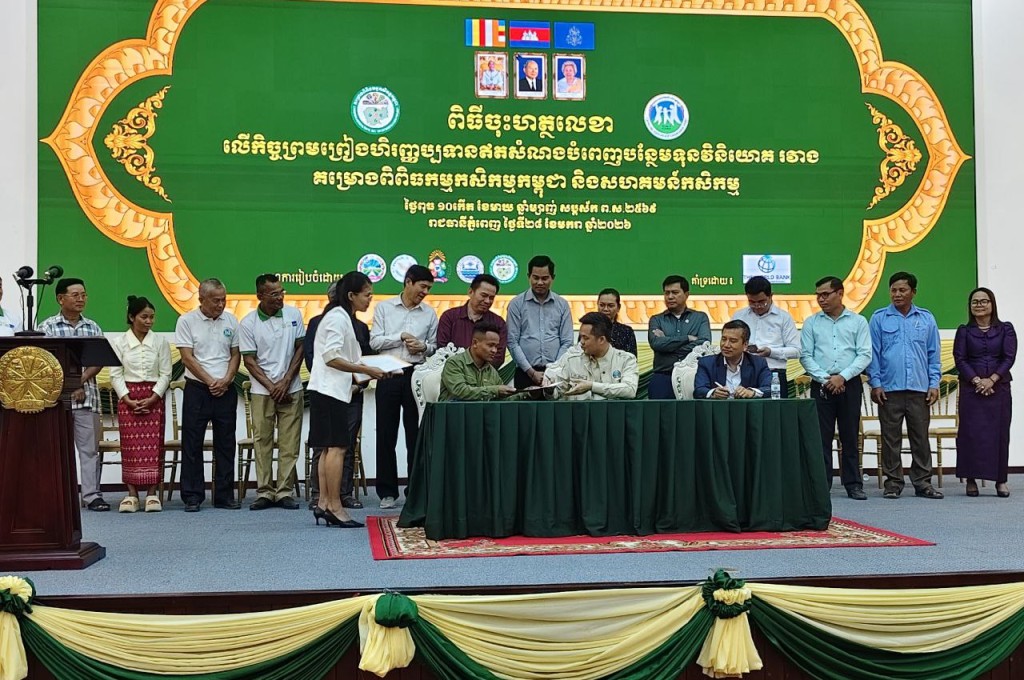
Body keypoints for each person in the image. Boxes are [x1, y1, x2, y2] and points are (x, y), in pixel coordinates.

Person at [308, 271, 387, 528]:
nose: (370, 300)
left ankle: (323, 503)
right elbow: (331, 357)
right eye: (367, 295)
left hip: (329, 390)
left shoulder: (342, 317)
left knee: (328, 449)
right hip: (330, 391)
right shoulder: (337, 318)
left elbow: (347, 359)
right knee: (337, 448)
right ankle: (334, 506)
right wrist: (366, 369)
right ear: (351, 295)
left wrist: (377, 370)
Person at [868, 271, 943, 500]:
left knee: (920, 437)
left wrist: (934, 383)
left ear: (913, 292)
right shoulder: (879, 318)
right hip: (889, 390)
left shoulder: (926, 318)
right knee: (890, 439)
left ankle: (923, 483)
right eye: (893, 290)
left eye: (902, 290)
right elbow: (873, 355)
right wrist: (876, 383)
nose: (897, 294)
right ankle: (893, 483)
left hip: (919, 389)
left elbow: (933, 354)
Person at [370, 264, 437, 509]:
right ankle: (387, 492)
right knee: (386, 433)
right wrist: (399, 337)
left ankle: (415, 490)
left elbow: (435, 346)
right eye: (422, 286)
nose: (425, 292)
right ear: (408, 282)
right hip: (387, 373)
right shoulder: (384, 308)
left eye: (428, 288)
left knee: (415, 434)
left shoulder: (429, 313)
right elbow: (375, 342)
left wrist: (423, 347)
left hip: (416, 374)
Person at [800, 276, 872, 499]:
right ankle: (822, 485)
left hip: (849, 384)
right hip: (821, 384)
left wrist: (842, 377)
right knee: (821, 437)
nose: (821, 299)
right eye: (818, 295)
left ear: (840, 293)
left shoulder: (858, 321)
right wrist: (827, 379)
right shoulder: (811, 323)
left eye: (825, 294)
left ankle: (853, 484)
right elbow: (806, 356)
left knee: (850, 436)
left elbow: (864, 355)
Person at [39, 278, 108, 511]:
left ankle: (92, 496)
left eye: (84, 295)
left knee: (89, 451)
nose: (81, 299)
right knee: (56, 451)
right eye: (75, 295)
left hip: (88, 399)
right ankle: (57, 497)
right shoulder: (47, 327)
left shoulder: (93, 327)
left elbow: (99, 359)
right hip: (57, 401)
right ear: (61, 298)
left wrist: (79, 381)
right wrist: (70, 386)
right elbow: (46, 364)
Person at [174, 278, 241, 512]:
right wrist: (210, 381)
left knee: (226, 443)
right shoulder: (186, 321)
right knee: (192, 443)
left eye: (224, 300)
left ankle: (224, 495)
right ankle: (192, 496)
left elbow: (235, 354)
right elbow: (187, 357)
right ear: (201, 299)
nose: (220, 305)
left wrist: (227, 379)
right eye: (215, 300)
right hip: (198, 389)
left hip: (225, 389)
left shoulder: (231, 320)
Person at [239, 274, 305, 511]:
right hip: (262, 392)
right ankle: (265, 491)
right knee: (262, 441)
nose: (280, 297)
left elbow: (300, 350)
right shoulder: (248, 323)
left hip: (292, 388)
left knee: (290, 442)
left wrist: (285, 382)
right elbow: (249, 361)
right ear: (260, 295)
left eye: (281, 292)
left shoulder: (294, 315)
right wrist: (272, 387)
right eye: (274, 294)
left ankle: (284, 491)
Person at [109, 296, 172, 513]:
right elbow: (115, 374)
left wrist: (154, 397)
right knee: (130, 448)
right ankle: (132, 494)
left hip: (154, 397)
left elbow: (166, 374)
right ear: (131, 317)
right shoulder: (119, 342)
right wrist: (127, 399)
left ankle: (152, 493)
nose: (149, 321)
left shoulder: (160, 342)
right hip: (129, 398)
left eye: (152, 317)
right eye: (144, 317)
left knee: (154, 446)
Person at [954, 287, 1016, 497]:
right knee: (970, 434)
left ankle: (1001, 480)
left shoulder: (1006, 329)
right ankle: (971, 480)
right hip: (971, 390)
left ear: (992, 304)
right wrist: (977, 381)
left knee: (1000, 434)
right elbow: (960, 359)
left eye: (984, 301)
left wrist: (992, 380)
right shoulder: (964, 331)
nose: (979, 305)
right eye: (975, 302)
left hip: (999, 389)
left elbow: (1009, 357)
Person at [506, 255, 573, 389]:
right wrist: (531, 372)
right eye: (535, 278)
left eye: (545, 278)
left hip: (556, 373)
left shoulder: (562, 305)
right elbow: (512, 342)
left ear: (552, 278)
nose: (540, 282)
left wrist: (553, 370)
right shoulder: (516, 304)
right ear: (528, 276)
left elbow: (567, 342)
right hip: (525, 372)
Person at [731, 276, 800, 396]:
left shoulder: (783, 318)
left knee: (776, 408)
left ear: (771, 296)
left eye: (761, 302)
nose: (757, 306)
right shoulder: (739, 316)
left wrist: (771, 352)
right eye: (752, 302)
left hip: (774, 374)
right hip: (744, 373)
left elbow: (797, 350)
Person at [545, 312, 638, 400]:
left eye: (585, 338)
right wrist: (550, 390)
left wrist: (591, 386)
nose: (581, 342)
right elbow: (556, 394)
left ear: (601, 339)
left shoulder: (626, 360)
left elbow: (630, 390)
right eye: (580, 337)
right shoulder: (571, 358)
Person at [648, 275, 711, 399]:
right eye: (667, 293)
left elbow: (703, 344)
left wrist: (668, 346)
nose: (670, 296)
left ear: (687, 294)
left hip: (694, 377)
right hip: (663, 377)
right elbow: (657, 344)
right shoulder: (657, 320)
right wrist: (687, 338)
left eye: (675, 292)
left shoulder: (700, 318)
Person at [437, 273, 507, 368]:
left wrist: (477, 372)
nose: (487, 301)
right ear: (470, 292)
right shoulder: (449, 317)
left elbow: (498, 357)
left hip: (484, 375)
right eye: (484, 295)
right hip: (453, 373)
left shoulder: (499, 323)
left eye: (491, 298)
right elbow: (442, 349)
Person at [440, 321, 520, 401]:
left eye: (496, 346)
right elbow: (460, 391)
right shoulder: (454, 363)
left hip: (482, 409)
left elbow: (502, 400)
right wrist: (495, 390)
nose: (494, 350)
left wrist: (524, 395)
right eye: (490, 345)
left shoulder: (491, 371)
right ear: (475, 343)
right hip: (454, 409)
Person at [694, 320, 771, 399]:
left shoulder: (758, 363)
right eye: (724, 339)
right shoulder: (707, 363)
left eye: (733, 341)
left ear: (745, 345)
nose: (726, 345)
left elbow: (769, 388)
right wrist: (713, 393)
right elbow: (699, 390)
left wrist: (752, 392)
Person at [596, 288, 637, 356]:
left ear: (618, 307)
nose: (605, 309)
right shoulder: (588, 329)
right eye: (602, 305)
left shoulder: (626, 331)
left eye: (610, 306)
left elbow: (631, 359)